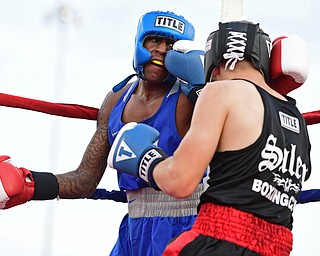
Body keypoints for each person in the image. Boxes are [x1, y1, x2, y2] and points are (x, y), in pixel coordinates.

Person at [0, 10, 207, 256]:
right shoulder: (116, 99)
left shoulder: (190, 98)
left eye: (171, 45)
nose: (162, 49)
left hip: (188, 225)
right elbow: (85, 179)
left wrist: (204, 90)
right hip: (134, 228)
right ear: (139, 42)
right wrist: (30, 183)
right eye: (155, 40)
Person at [108, 21, 312, 255]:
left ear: (214, 58)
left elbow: (179, 181)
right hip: (277, 247)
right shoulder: (295, 117)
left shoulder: (220, 92)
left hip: (217, 240)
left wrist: (144, 158)